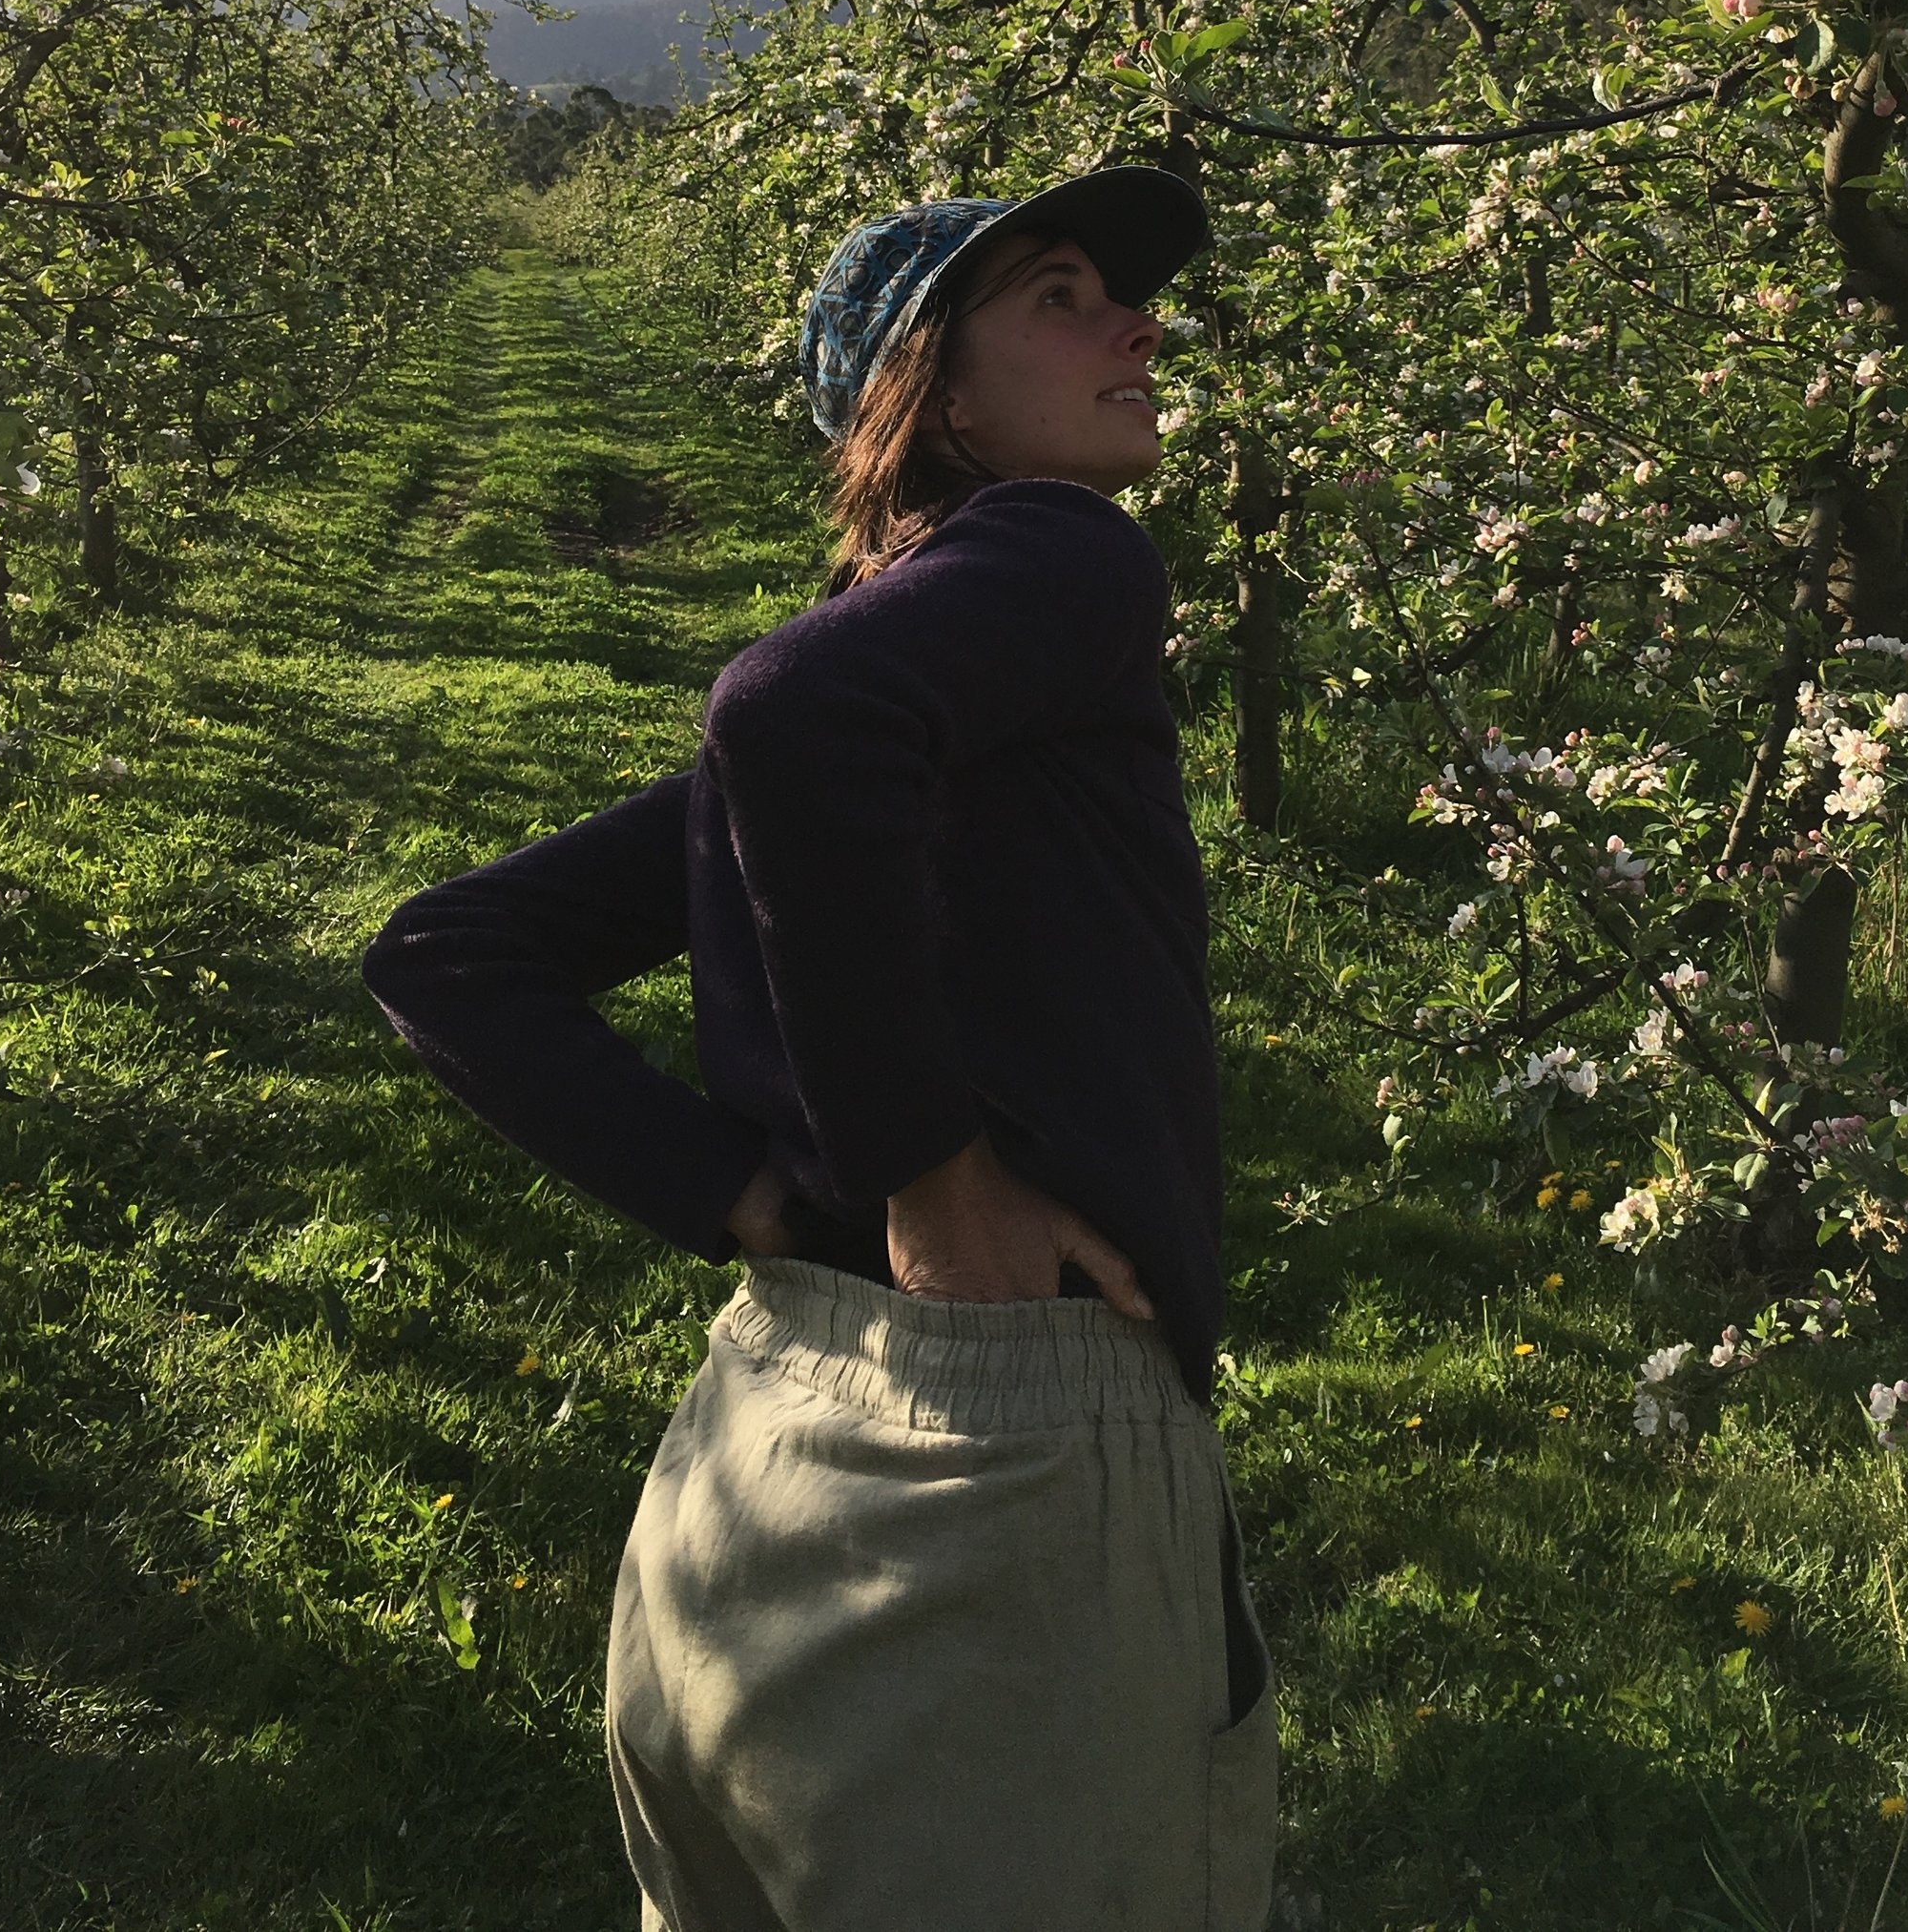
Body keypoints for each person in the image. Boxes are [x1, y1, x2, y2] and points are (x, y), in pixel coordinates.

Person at [362, 162, 1277, 1932]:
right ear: (928, 393)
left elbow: (447, 952)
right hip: (997, 1469)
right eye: (1062, 295)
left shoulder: (908, 710)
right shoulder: (1064, 550)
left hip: (753, 1467)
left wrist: (755, 1200)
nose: (1137, 324)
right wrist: (929, 1177)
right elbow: (794, 706)